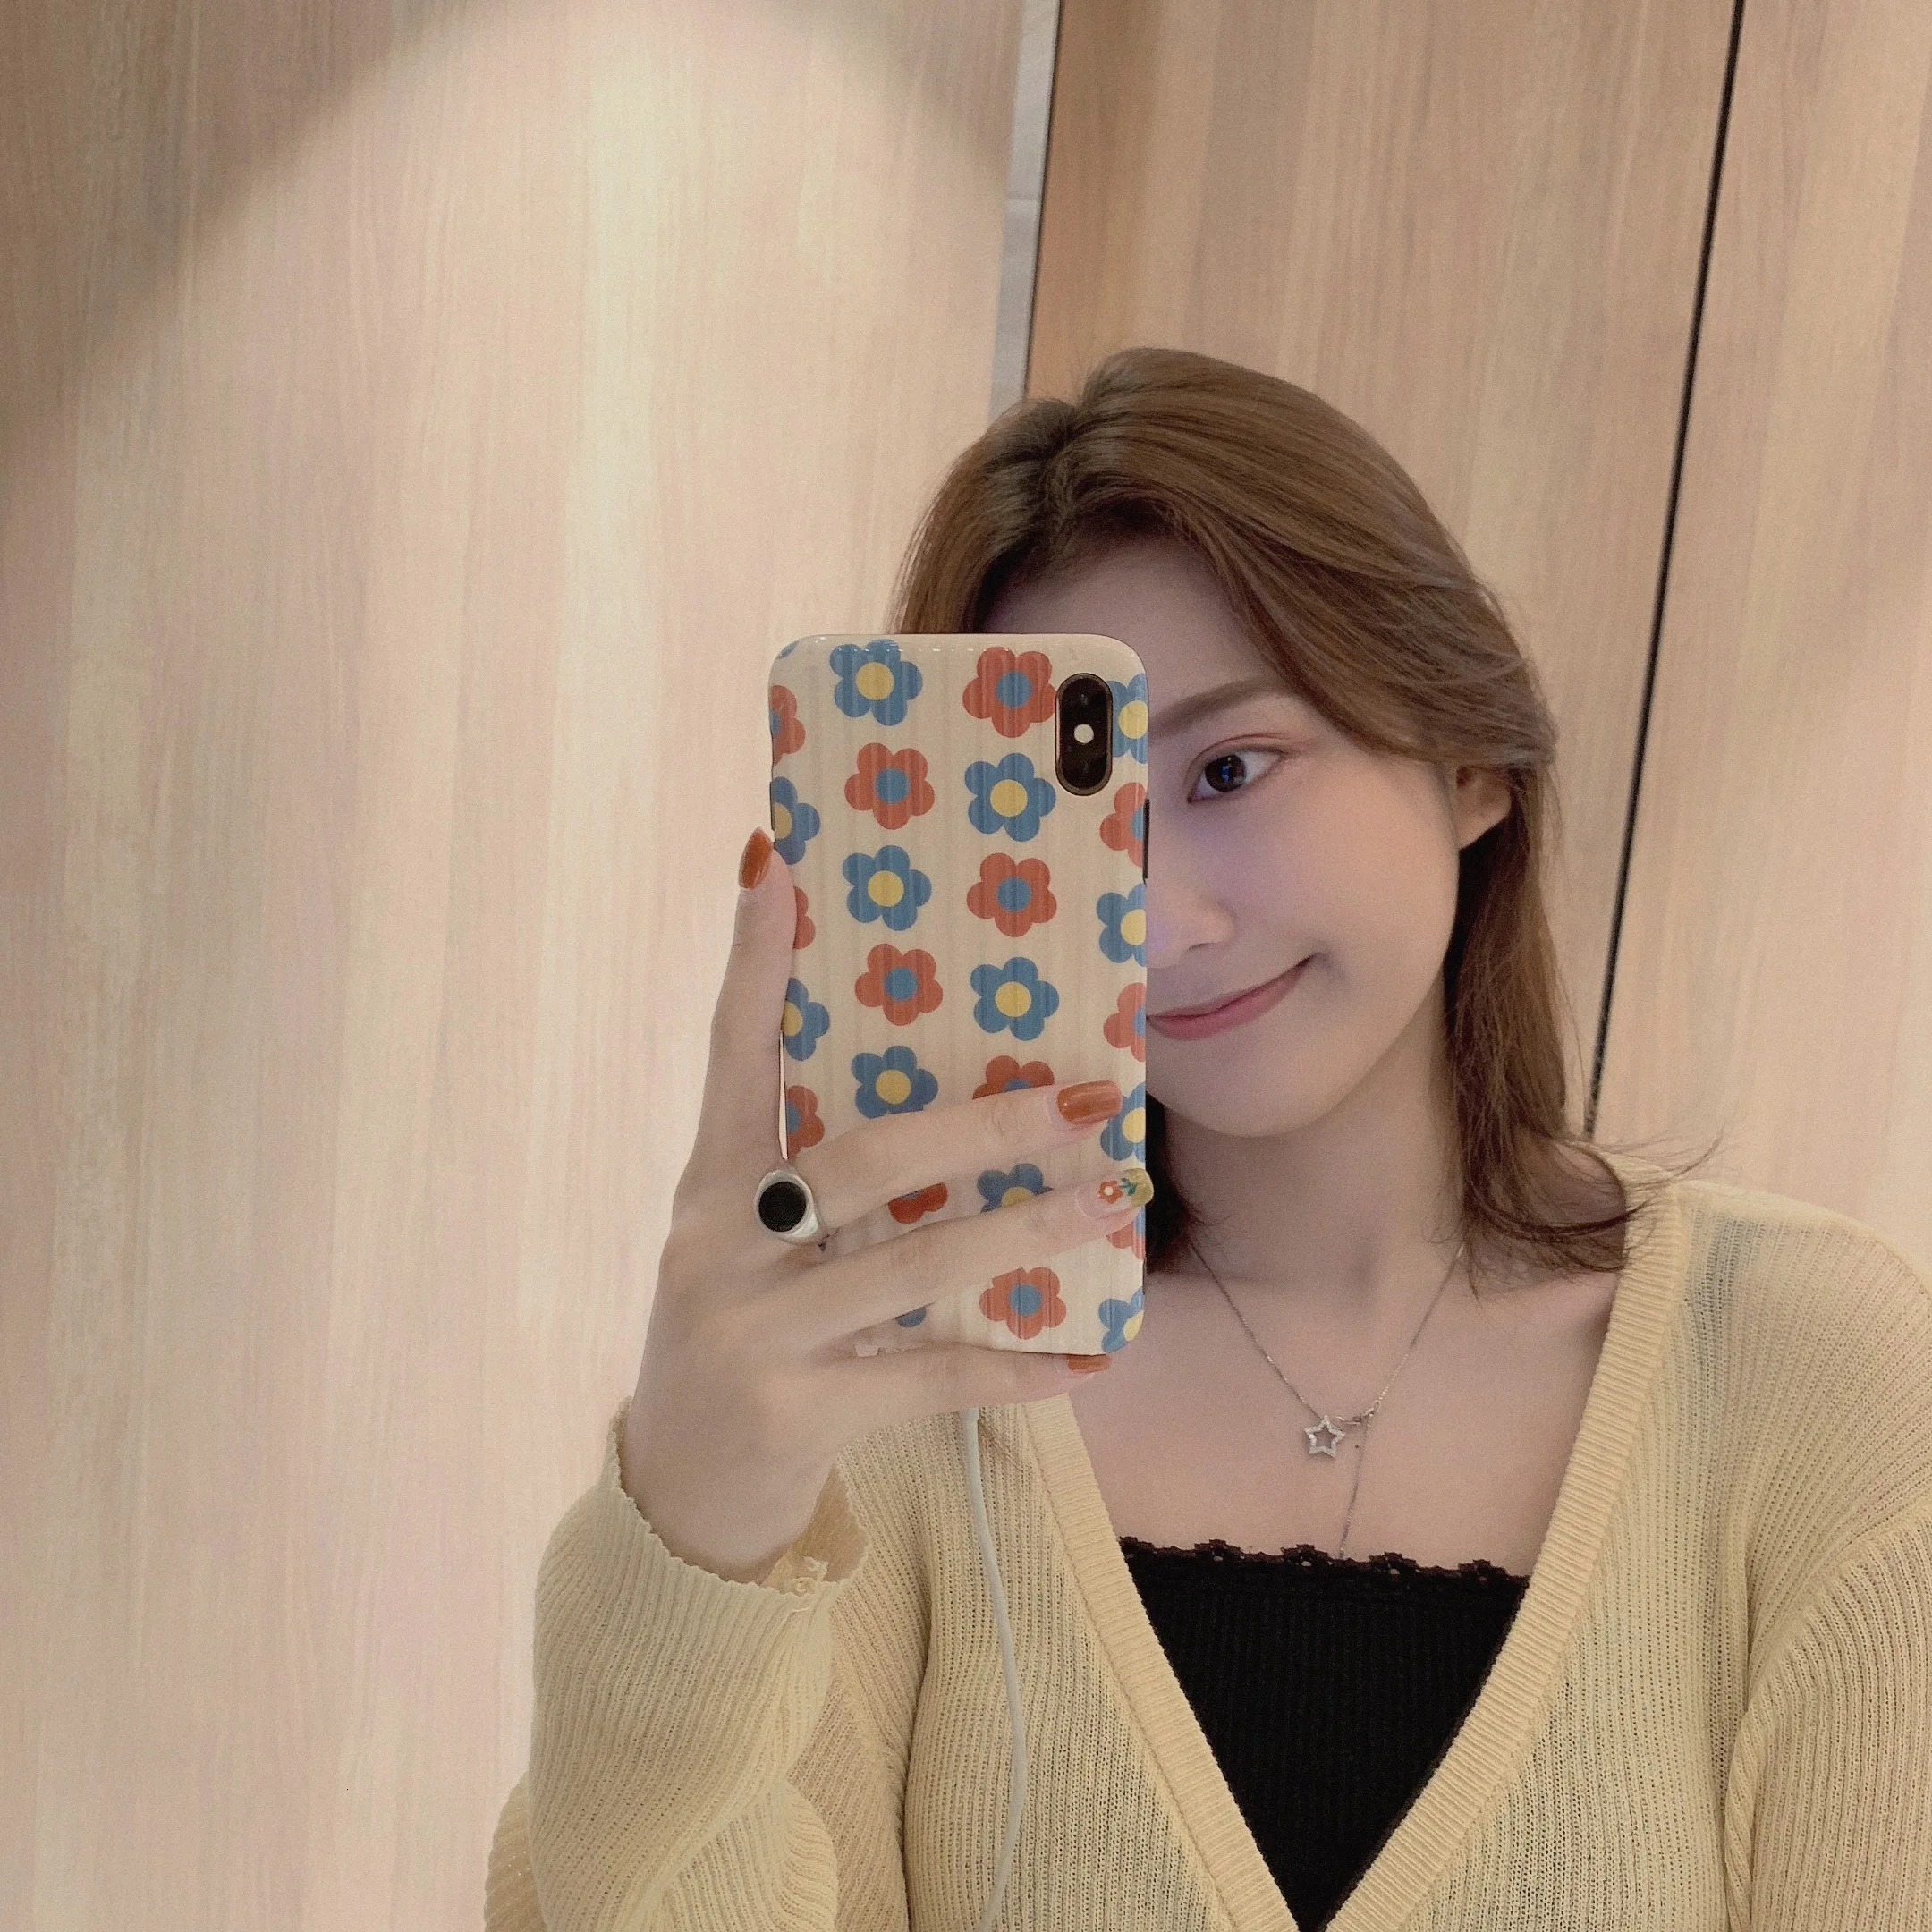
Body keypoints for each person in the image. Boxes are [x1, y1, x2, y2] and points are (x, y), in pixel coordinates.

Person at [486, 348, 1932, 1930]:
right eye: (1074, 826)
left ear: (1466, 759)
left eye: (1231, 770)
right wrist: (692, 1534)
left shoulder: (1813, 1380)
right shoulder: (898, 1395)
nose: (1160, 922)